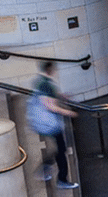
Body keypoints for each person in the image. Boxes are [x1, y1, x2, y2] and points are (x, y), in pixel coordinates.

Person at [29, 61, 79, 189]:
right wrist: (68, 112)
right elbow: (49, 105)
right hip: (49, 125)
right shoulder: (46, 84)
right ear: (50, 70)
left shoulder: (40, 81)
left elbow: (47, 98)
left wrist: (60, 96)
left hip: (42, 123)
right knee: (61, 150)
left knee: (60, 149)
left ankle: (45, 169)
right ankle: (62, 179)